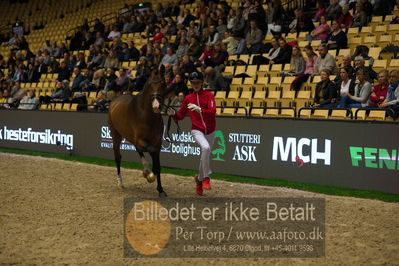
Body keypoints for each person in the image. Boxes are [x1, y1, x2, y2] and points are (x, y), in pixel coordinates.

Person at [170, 71, 216, 196]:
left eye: (198, 82)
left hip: (211, 130)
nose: (195, 84)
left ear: (202, 82)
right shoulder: (188, 98)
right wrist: (172, 114)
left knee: (205, 156)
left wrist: (200, 110)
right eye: (193, 82)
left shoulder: (209, 95)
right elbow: (180, 115)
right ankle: (206, 178)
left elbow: (213, 112)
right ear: (190, 84)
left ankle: (199, 180)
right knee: (205, 148)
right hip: (197, 130)